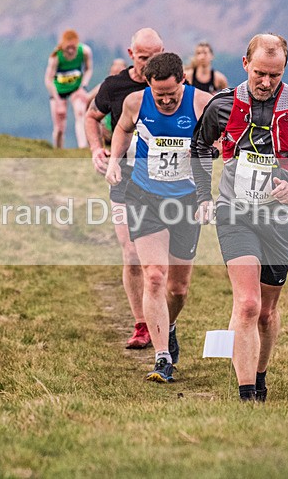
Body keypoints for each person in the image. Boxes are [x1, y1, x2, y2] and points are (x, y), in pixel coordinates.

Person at [191, 33, 288, 401]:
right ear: (244, 65)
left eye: (274, 74)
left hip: (280, 223)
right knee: (248, 303)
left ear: (284, 69)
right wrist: (204, 196)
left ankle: (260, 375)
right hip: (235, 214)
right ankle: (246, 394)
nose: (266, 82)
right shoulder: (223, 105)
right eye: (259, 74)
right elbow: (200, 147)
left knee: (267, 312)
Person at [106, 52, 212, 382]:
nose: (165, 101)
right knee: (154, 275)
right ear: (149, 86)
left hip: (185, 201)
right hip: (145, 196)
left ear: (183, 81)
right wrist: (113, 160)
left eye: (171, 93)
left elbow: (224, 139)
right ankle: (162, 356)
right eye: (159, 94)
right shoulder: (136, 103)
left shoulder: (202, 103)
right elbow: (123, 130)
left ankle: (170, 323)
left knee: (178, 289)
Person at [85, 28, 164, 350]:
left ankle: (163, 319)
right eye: (144, 58)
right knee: (131, 252)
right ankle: (142, 324)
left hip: (164, 179)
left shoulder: (173, 82)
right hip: (125, 176)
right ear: (132, 55)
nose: (149, 64)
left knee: (161, 262)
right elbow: (92, 116)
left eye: (155, 56)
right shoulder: (115, 85)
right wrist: (96, 150)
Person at [45, 29, 94, 149]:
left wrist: (83, 86)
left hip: (76, 88)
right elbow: (48, 80)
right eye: (68, 48)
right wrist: (58, 101)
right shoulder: (56, 56)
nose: (71, 51)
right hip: (58, 91)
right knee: (60, 126)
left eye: (74, 47)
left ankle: (82, 147)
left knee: (80, 113)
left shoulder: (85, 51)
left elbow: (88, 69)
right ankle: (58, 150)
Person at [87, 58, 127, 145]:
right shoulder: (103, 88)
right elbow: (87, 101)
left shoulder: (130, 89)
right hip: (106, 129)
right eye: (114, 73)